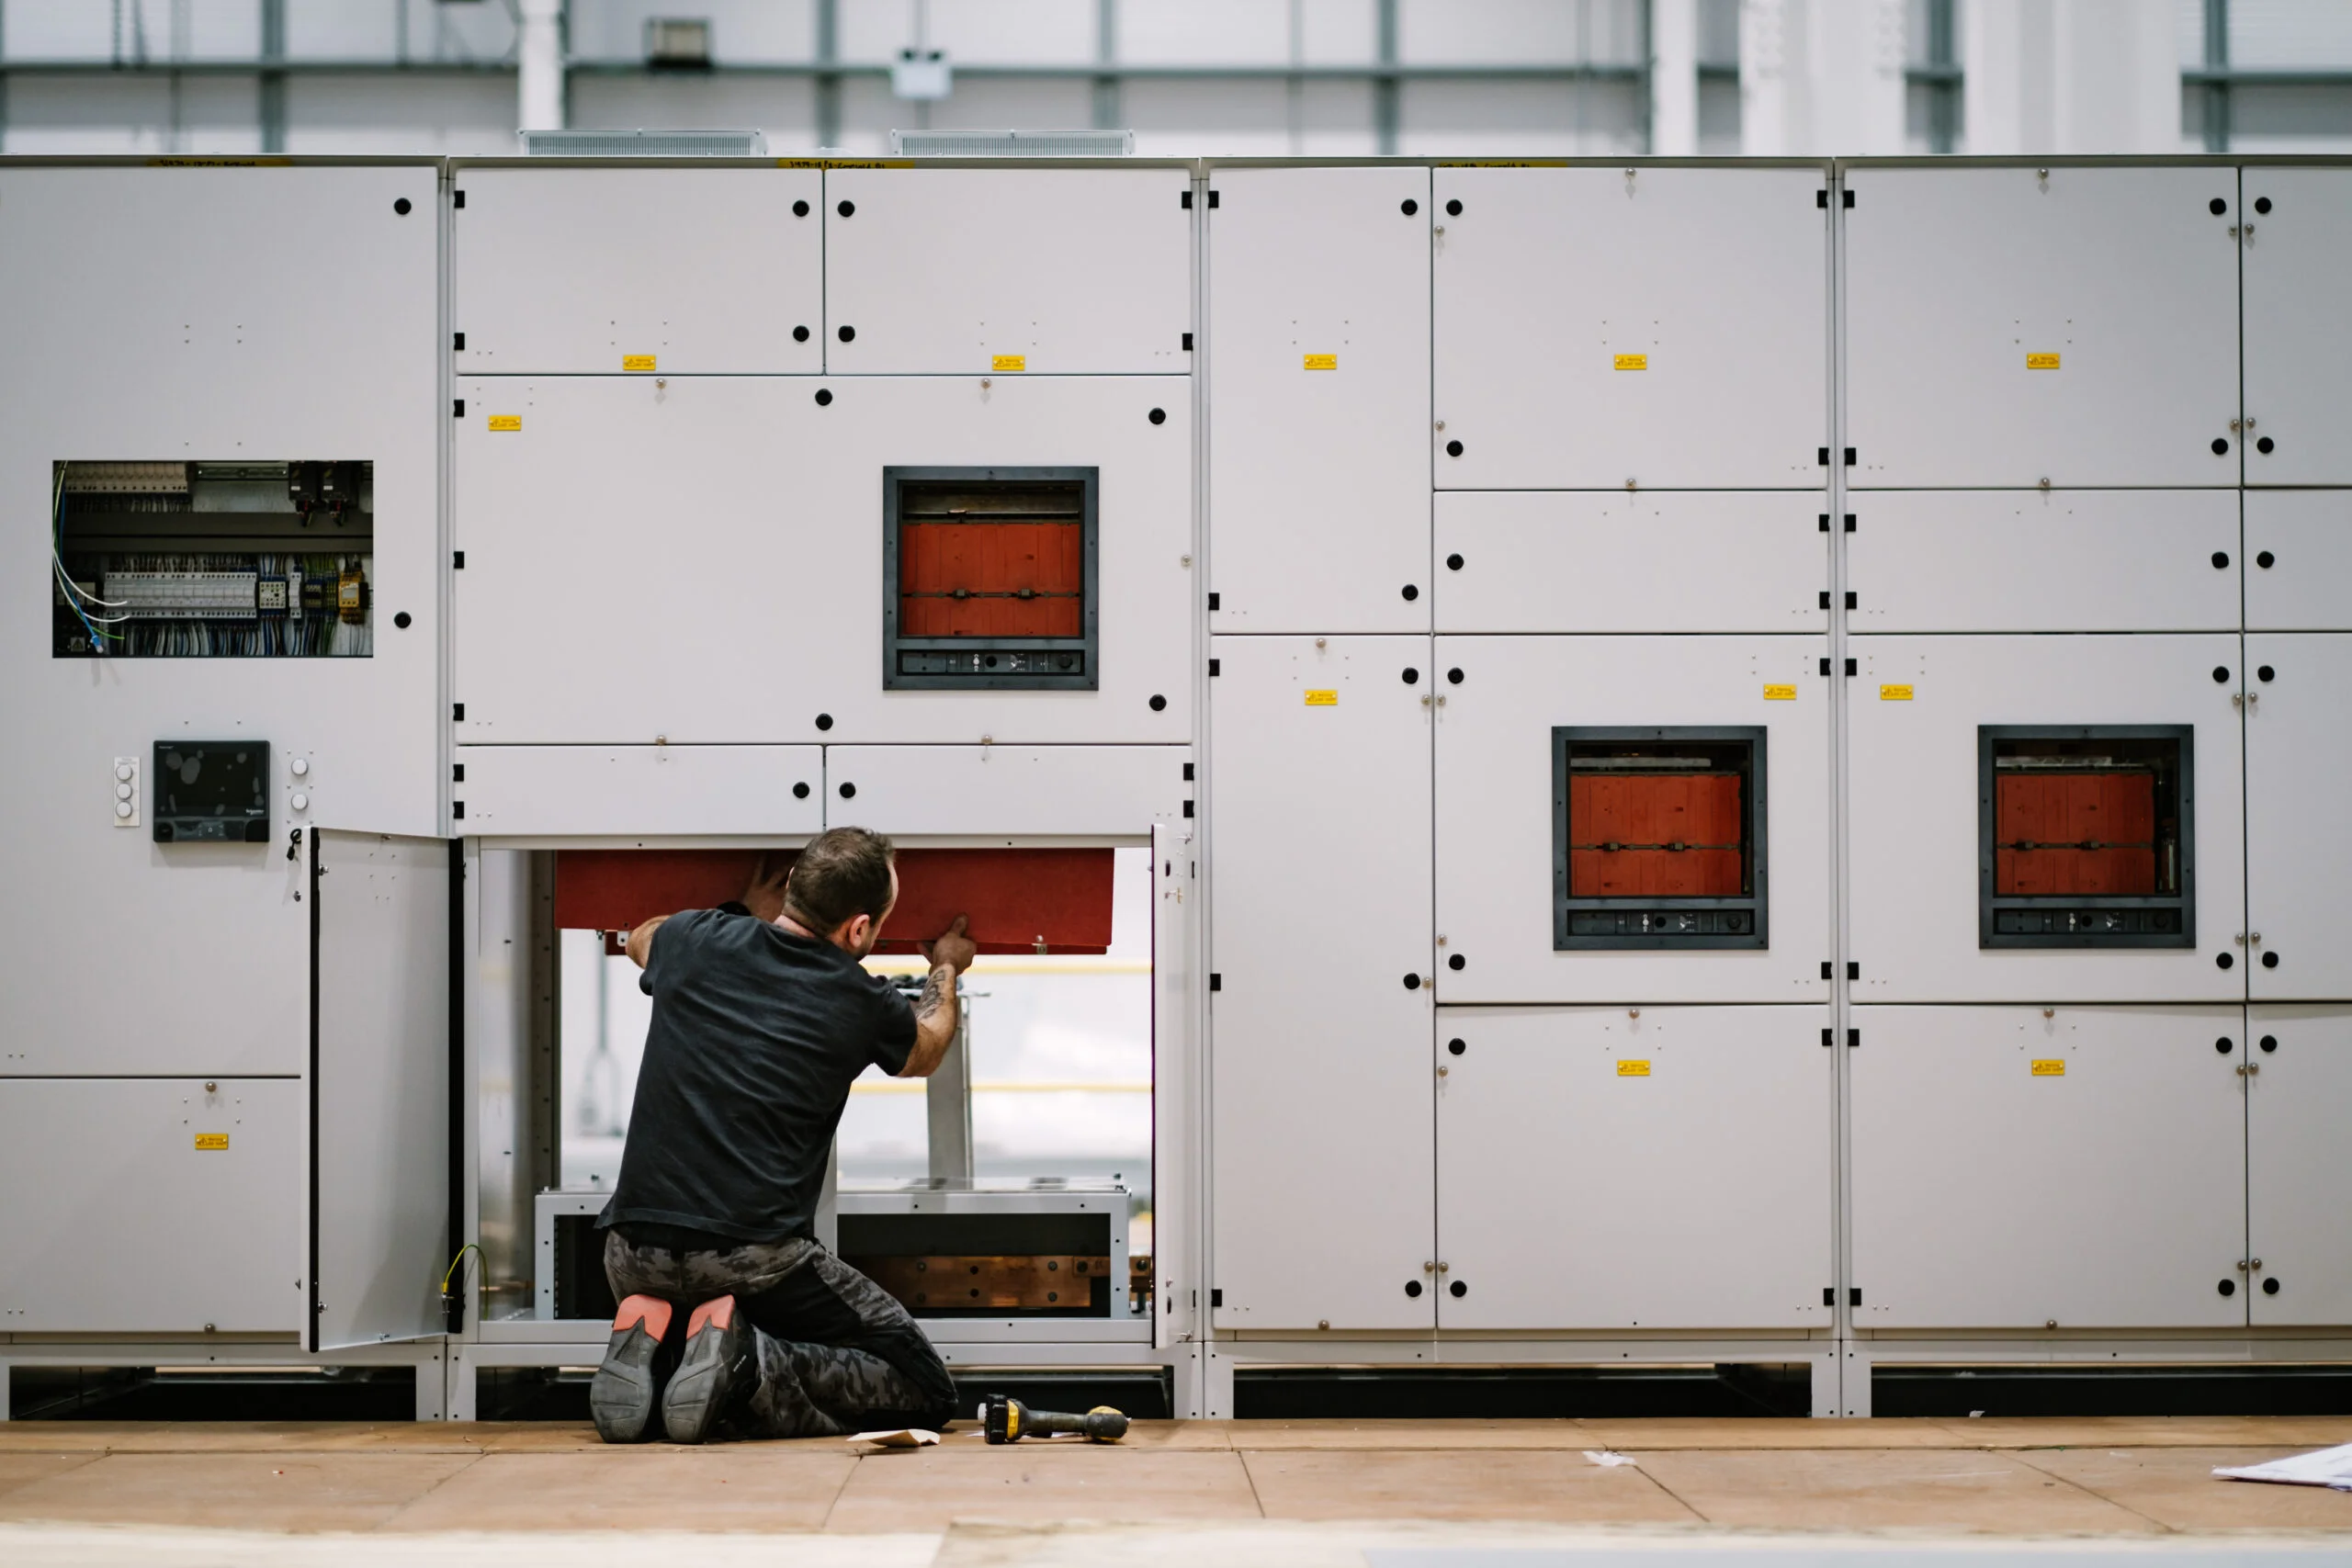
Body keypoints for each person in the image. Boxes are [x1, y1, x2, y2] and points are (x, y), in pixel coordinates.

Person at [587, 826, 975, 1444]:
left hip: (631, 1253)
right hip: (750, 1260)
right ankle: (746, 1363)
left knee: (695, 1304)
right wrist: (947, 964)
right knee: (921, 1384)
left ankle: (659, 1350)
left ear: (793, 884)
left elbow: (640, 938)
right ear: (859, 929)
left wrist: (741, 913)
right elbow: (926, 1046)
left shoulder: (692, 939)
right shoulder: (860, 999)